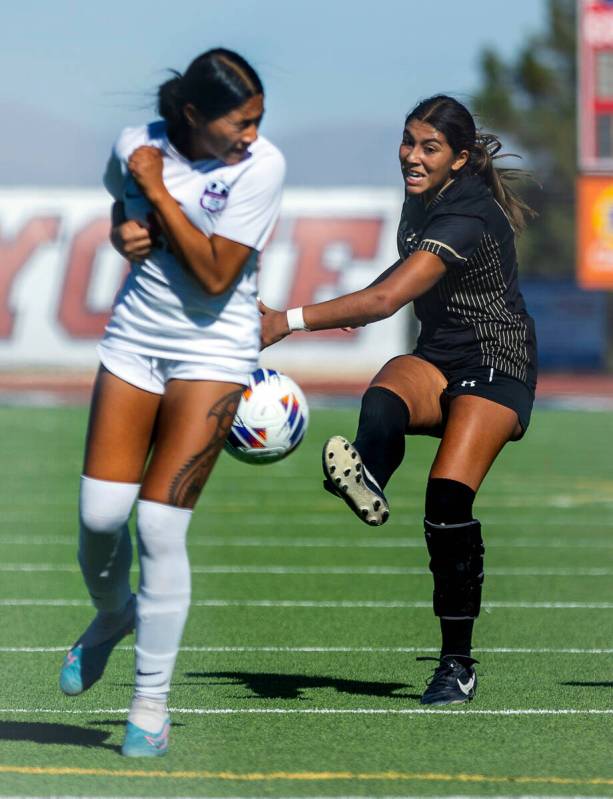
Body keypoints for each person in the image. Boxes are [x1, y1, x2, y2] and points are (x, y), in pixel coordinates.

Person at [260, 95, 537, 707]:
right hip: (440, 359)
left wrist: (287, 319)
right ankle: (369, 480)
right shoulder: (420, 200)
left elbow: (386, 300)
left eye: (429, 148)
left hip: (497, 365)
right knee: (385, 392)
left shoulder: (467, 215)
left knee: (447, 498)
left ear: (460, 160)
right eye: (409, 142)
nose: (412, 156)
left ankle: (457, 665)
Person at [58, 48, 285, 756]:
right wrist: (124, 229)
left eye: (257, 121)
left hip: (214, 355)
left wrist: (157, 195)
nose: (250, 135)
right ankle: (112, 614)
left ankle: (148, 707)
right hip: (133, 344)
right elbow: (119, 208)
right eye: (237, 122)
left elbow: (218, 275)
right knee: (99, 520)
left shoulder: (262, 167)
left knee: (158, 527)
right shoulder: (135, 147)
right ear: (191, 113)